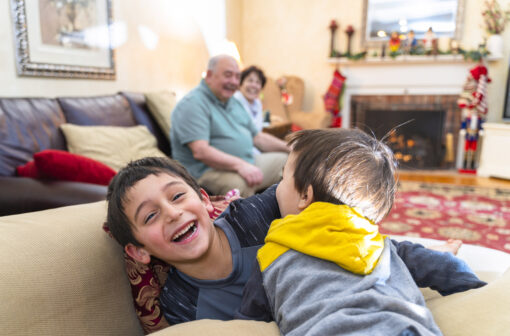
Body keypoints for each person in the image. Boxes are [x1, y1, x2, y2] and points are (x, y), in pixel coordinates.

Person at [106, 156, 484, 328]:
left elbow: (333, 214)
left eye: (177, 197)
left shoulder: (253, 216)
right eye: (150, 216)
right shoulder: (179, 302)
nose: (171, 213)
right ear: (139, 251)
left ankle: (436, 253)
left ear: (206, 201)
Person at [236, 129, 486, 335]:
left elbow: (247, 322)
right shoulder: (381, 246)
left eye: (283, 178)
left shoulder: (271, 256)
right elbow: (444, 268)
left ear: (305, 195)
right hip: (399, 328)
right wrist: (480, 289)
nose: (277, 187)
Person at [170, 55, 289, 197]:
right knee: (241, 184)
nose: (233, 82)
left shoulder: (234, 102)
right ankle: (255, 216)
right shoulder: (192, 104)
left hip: (246, 161)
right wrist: (241, 165)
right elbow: (201, 151)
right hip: (207, 171)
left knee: (289, 162)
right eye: (228, 75)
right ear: (209, 75)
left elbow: (257, 137)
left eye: (237, 77)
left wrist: (290, 147)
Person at [234, 65, 267, 133]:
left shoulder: (257, 103)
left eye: (258, 82)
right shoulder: (234, 101)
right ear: (240, 84)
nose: (254, 85)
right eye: (250, 80)